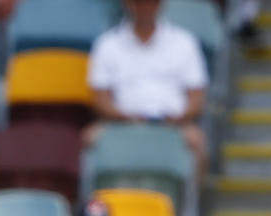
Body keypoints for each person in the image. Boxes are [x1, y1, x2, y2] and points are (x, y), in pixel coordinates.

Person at [86, 0, 208, 177]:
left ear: (160, 4)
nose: (145, 7)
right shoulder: (107, 43)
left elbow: (197, 99)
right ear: (127, 4)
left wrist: (179, 118)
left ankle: (187, 204)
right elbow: (101, 99)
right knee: (89, 138)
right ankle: (97, 203)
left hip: (173, 124)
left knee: (198, 142)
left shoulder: (185, 42)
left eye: (151, 2)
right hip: (120, 123)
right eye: (139, 2)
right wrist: (124, 117)